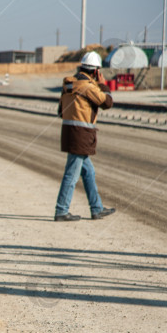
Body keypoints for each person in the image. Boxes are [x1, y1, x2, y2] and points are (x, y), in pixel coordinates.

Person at [54, 51, 116, 222]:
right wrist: (103, 85)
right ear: (96, 71)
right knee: (71, 174)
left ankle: (96, 208)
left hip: (69, 133)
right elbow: (108, 103)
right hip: (81, 136)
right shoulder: (88, 87)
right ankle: (61, 210)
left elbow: (60, 112)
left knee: (89, 171)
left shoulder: (68, 85)